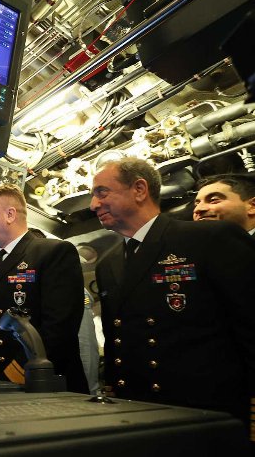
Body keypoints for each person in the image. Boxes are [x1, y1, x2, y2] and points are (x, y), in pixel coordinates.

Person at [90, 157, 255, 443]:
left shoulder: (209, 238)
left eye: (102, 192)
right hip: (136, 409)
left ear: (139, 189)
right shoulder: (108, 263)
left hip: (205, 413)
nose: (93, 204)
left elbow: (250, 326)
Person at [0, 185, 88, 393]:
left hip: (36, 379)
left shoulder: (52, 252)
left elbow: (59, 328)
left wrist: (17, 372)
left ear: (10, 215)